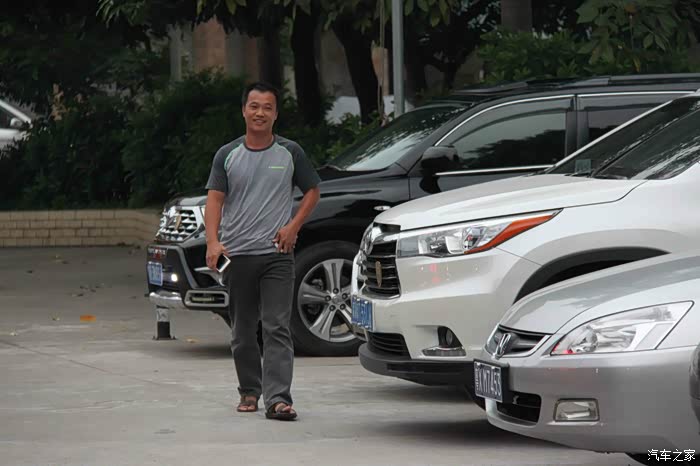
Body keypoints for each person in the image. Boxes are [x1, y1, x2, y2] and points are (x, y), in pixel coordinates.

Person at [204, 82, 321, 421]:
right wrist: (213, 242)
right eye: (254, 106)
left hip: (276, 256)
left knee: (276, 327)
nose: (260, 113)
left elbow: (313, 191)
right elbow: (215, 200)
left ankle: (278, 399)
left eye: (267, 107)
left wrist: (293, 226)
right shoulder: (227, 155)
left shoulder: (290, 153)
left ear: (275, 114)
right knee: (242, 332)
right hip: (237, 256)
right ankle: (249, 391)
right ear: (244, 111)